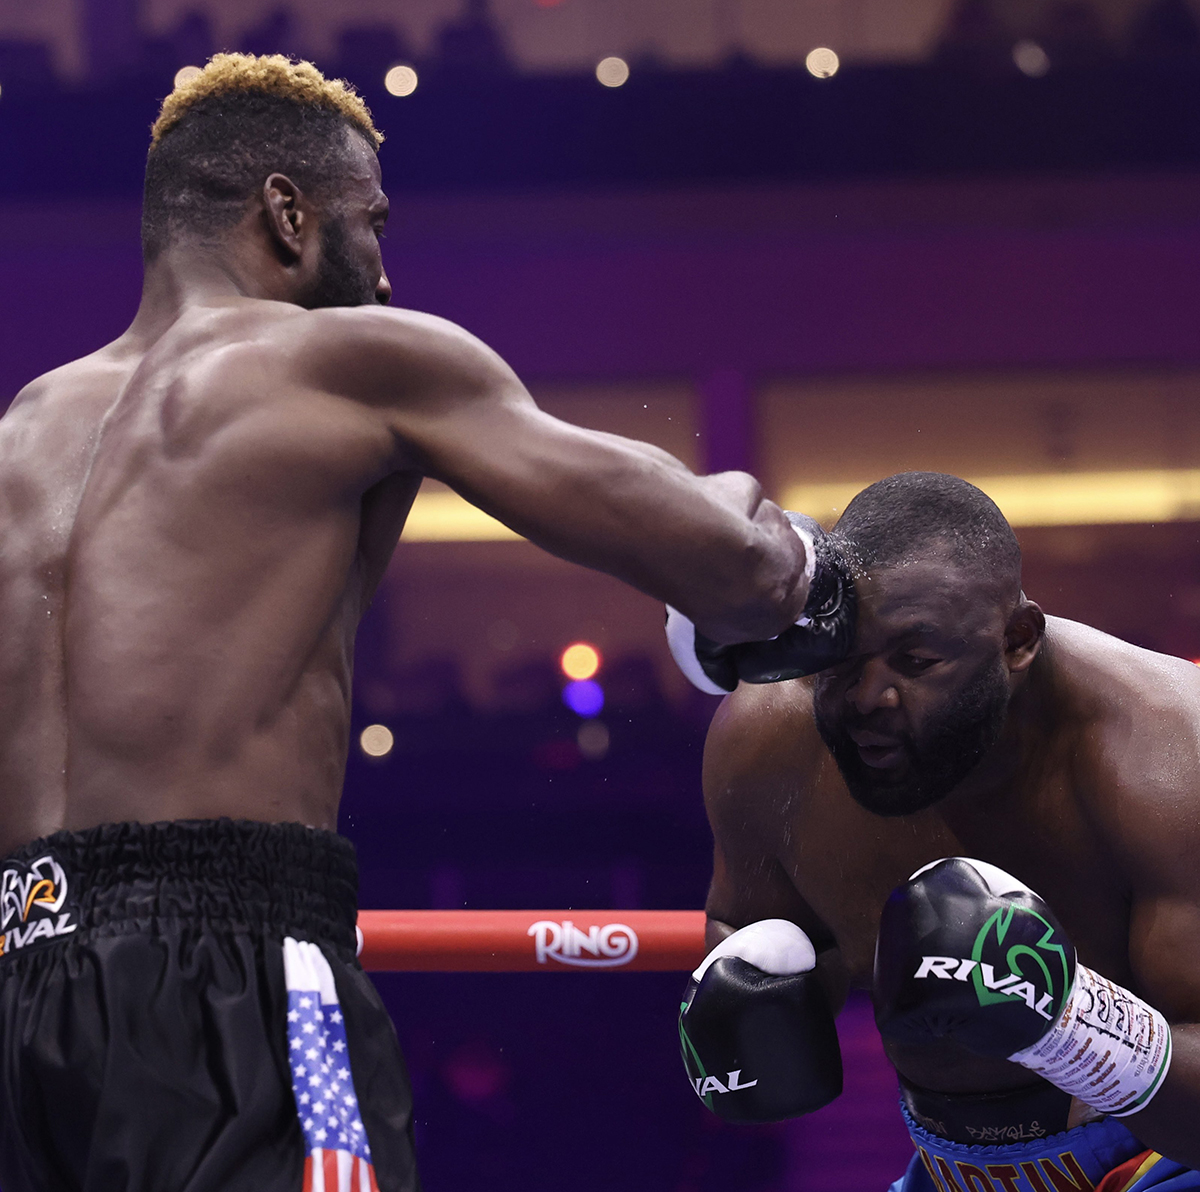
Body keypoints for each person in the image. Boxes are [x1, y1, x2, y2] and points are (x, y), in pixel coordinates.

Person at [0, 54, 856, 1192]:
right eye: (373, 222)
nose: (390, 275)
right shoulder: (350, 361)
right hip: (236, 970)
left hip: (20, 979)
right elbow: (733, 566)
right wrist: (794, 548)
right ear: (287, 214)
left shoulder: (25, 431)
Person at [676, 471, 1200, 1190]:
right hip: (945, 1166)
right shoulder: (766, 742)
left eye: (916, 661)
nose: (869, 697)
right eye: (843, 661)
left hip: (1162, 1159)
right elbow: (749, 922)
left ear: (1017, 642)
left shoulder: (1166, 753)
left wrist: (1074, 1026)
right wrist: (754, 998)